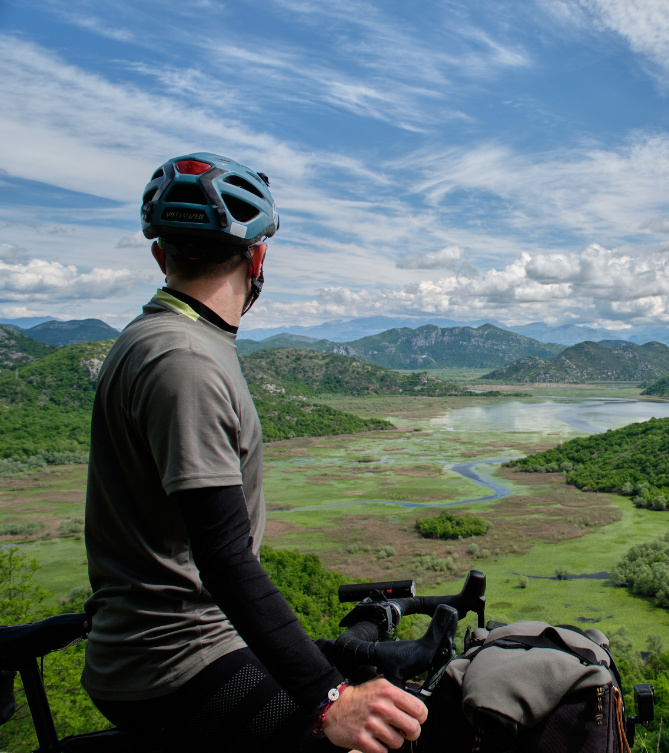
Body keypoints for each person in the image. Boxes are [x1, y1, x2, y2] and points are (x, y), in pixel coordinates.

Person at [82, 152, 427, 753]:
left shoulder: (166, 339)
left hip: (182, 644)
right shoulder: (184, 358)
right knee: (372, 743)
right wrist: (330, 699)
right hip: (175, 659)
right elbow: (224, 559)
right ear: (257, 256)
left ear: (161, 254)